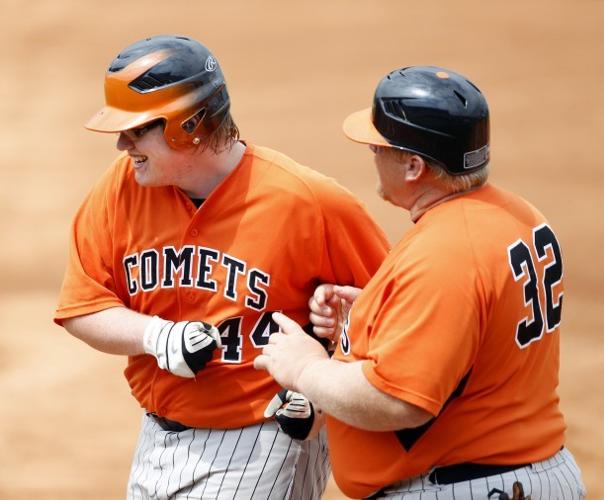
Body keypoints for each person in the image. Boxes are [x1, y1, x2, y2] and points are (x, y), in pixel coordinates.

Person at [54, 34, 389, 499]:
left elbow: (393, 319)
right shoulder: (121, 189)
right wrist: (155, 336)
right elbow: (82, 306)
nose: (121, 145)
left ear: (187, 125)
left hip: (262, 440)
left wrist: (323, 386)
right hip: (156, 441)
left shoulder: (308, 202)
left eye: (136, 130)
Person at [254, 66, 587, 499]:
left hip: (467, 484)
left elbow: (400, 402)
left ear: (414, 166)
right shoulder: (518, 215)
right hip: (514, 472)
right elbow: (476, 337)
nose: (372, 152)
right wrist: (372, 324)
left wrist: (304, 369)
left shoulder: (447, 252)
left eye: (379, 145)